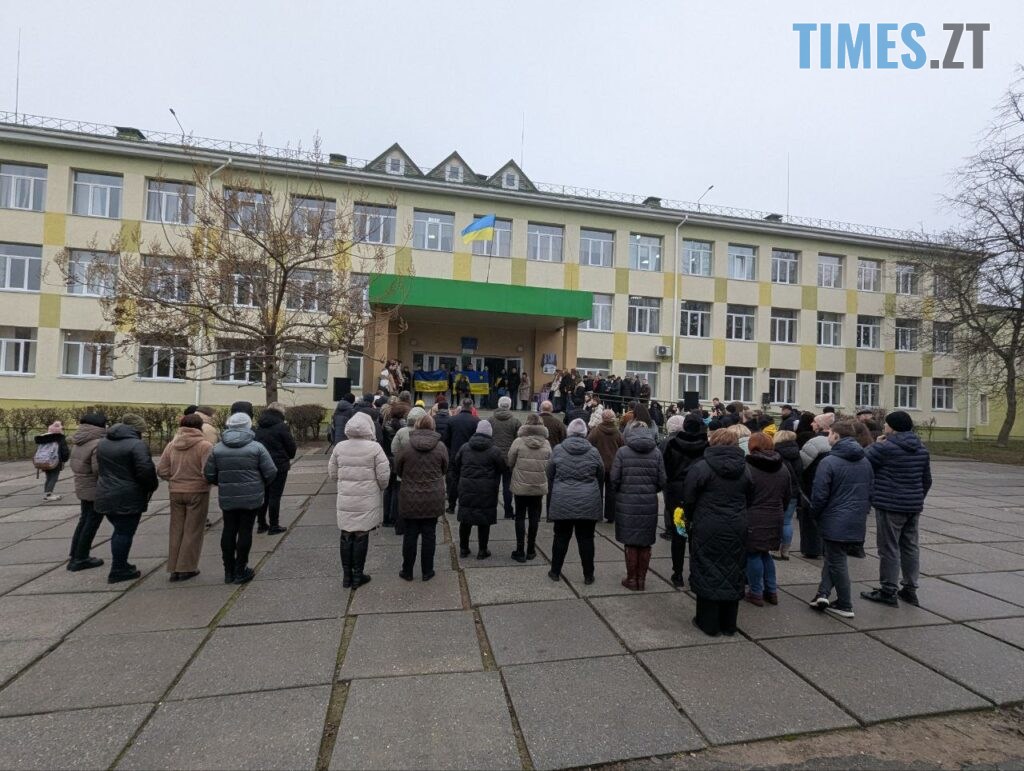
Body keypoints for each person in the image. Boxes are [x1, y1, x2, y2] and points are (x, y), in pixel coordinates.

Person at [684, 428, 752, 637]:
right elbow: (751, 495)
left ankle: (708, 622)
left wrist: (690, 518)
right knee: (733, 568)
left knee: (707, 568)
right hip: (737, 524)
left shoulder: (702, 468)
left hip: (708, 524)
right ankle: (729, 623)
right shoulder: (745, 468)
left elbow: (689, 497)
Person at [861, 411, 932, 607]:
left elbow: (862, 458)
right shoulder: (921, 449)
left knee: (889, 548)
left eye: (886, 425)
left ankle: (888, 590)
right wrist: (916, 498)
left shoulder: (886, 447)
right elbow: (926, 480)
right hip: (913, 506)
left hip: (890, 504)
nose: (884, 427)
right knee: (910, 547)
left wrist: (877, 443)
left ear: (891, 427)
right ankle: (910, 588)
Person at [808, 420, 874, 619]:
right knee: (834, 557)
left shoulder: (828, 461)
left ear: (836, 436)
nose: (827, 437)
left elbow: (819, 495)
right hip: (856, 517)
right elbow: (871, 490)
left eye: (829, 434)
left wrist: (814, 513)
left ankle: (845, 604)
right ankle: (822, 594)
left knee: (837, 562)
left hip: (835, 518)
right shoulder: (865, 460)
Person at [204, 412, 277, 585]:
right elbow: (271, 471)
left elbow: (209, 474)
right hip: (251, 497)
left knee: (228, 529)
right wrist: (260, 484)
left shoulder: (218, 449)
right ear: (248, 426)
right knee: (245, 530)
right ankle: (240, 569)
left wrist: (224, 483)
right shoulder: (256, 447)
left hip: (228, 496)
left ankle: (228, 571)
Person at [95, 414, 160, 583]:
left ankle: (121, 564)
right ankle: (118, 568)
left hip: (105, 492)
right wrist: (151, 487)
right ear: (137, 430)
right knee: (123, 533)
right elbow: (145, 471)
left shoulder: (103, 443)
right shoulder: (137, 445)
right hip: (128, 495)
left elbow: (98, 467)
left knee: (119, 531)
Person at [328, 411, 390, 589]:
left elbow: (333, 473)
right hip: (366, 499)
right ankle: (357, 576)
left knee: (346, 534)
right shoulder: (374, 448)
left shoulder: (340, 447)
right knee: (361, 534)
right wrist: (379, 487)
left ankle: (346, 576)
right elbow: (384, 475)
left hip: (346, 498)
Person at [157, 414, 213, 582]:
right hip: (197, 491)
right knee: (193, 530)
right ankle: (186, 567)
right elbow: (207, 471)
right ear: (200, 427)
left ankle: (173, 568)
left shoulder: (171, 445)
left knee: (176, 530)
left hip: (175, 491)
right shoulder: (205, 445)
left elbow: (162, 470)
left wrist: (174, 480)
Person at [546, 418, 604, 583]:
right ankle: (588, 575)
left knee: (561, 537)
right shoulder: (593, 451)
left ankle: (555, 572)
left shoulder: (558, 449)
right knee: (586, 539)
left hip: (563, 499)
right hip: (588, 500)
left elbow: (549, 473)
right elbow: (601, 473)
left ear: (569, 432)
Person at [612, 421, 666, 591]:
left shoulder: (622, 452)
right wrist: (650, 490)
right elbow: (662, 480)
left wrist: (623, 490)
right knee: (645, 543)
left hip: (627, 503)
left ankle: (631, 579)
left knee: (630, 541)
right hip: (648, 502)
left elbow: (614, 478)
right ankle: (641, 580)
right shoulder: (656, 453)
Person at [395, 414, 448, 581]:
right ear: (432, 427)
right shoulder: (440, 447)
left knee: (410, 535)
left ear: (416, 426)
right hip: (433, 496)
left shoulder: (406, 446)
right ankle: (427, 570)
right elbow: (444, 468)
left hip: (410, 496)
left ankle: (407, 571)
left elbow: (398, 469)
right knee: (429, 535)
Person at [744, 432, 794, 606]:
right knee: (765, 553)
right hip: (775, 514)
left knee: (752, 554)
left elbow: (744, 493)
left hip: (754, 515)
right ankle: (771, 590)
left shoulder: (748, 467)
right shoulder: (782, 467)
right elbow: (787, 495)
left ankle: (756, 592)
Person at [660, 414, 707, 587]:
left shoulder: (673, 443)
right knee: (695, 535)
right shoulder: (705, 445)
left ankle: (677, 573)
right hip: (698, 493)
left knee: (679, 533)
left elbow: (665, 468)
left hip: (677, 492)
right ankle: (694, 573)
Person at [450, 420, 506, 559]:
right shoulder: (495, 450)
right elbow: (502, 468)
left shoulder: (465, 447)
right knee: (484, 520)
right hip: (487, 490)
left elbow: (456, 465)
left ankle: (463, 549)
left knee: (465, 519)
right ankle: (482, 550)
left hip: (467, 488)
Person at [67, 412, 108, 572]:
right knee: (91, 522)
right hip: (94, 488)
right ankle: (81, 558)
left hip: (82, 485)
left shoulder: (80, 440)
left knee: (84, 520)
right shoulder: (97, 443)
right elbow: (98, 470)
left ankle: (75, 554)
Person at [508, 414, 551, 562]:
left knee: (519, 516)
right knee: (534, 517)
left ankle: (520, 550)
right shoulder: (546, 443)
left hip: (521, 484)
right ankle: (531, 549)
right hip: (538, 484)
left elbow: (510, 461)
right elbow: (550, 463)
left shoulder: (518, 441)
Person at [253, 402, 297, 534]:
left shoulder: (258, 426)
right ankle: (274, 525)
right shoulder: (282, 427)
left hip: (261, 465)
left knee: (264, 495)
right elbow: (291, 447)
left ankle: (261, 524)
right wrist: (287, 457)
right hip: (279, 465)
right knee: (275, 496)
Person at [771, 429, 803, 561]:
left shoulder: (777, 454)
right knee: (787, 522)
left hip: (780, 492)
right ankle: (786, 550)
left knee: (778, 521)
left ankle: (777, 549)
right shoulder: (798, 453)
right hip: (794, 491)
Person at [588, 409, 624, 523]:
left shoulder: (596, 431)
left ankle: (596, 515)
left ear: (602, 418)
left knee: (597, 492)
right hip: (613, 467)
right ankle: (611, 516)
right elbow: (623, 447)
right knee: (611, 492)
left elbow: (588, 444)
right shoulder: (618, 433)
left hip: (598, 466)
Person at [489, 396, 522, 519]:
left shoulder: (490, 420)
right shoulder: (515, 421)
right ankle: (508, 511)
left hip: (493, 458)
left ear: (498, 404)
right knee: (508, 486)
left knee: (493, 485)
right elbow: (519, 440)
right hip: (509, 458)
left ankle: (491, 510)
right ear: (509, 405)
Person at [445, 398, 479, 512]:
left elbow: (446, 439)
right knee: (470, 482)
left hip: (455, 454)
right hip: (472, 456)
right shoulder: (476, 421)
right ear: (472, 407)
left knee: (454, 481)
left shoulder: (452, 420)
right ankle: (467, 506)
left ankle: (451, 506)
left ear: (461, 405)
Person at [34, 421, 70, 502]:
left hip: (44, 460)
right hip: (55, 461)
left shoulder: (44, 438)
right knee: (54, 477)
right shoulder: (60, 438)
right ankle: (49, 495)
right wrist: (64, 460)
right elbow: (65, 451)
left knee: (48, 477)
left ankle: (46, 493)